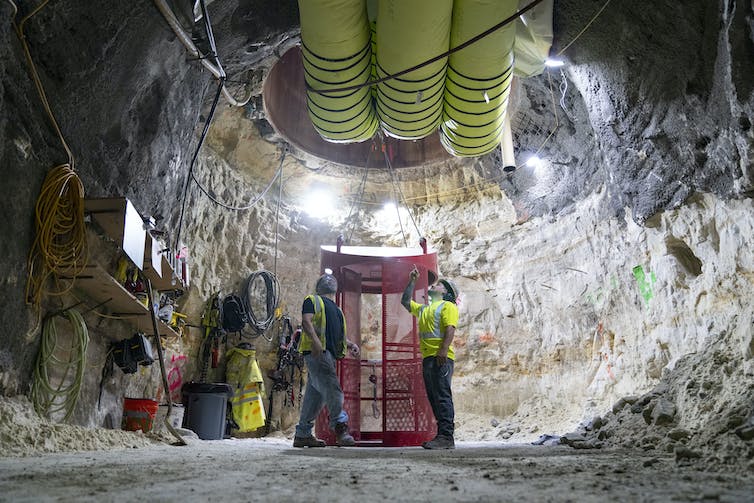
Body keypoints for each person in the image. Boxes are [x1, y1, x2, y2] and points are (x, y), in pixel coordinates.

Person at [293, 272, 360, 447]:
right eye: (325, 279)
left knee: (315, 397)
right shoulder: (312, 300)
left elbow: (337, 335)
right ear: (319, 287)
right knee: (332, 388)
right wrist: (315, 342)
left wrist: (351, 344)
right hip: (318, 352)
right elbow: (306, 322)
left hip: (327, 353)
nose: (328, 280)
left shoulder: (336, 309)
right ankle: (340, 427)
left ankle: (303, 434)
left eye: (331, 279)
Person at [401, 267, 459, 449]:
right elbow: (405, 302)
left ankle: (446, 437)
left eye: (439, 285)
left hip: (441, 358)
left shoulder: (448, 306)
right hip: (429, 358)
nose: (434, 285)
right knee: (434, 397)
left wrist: (442, 350)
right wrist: (412, 281)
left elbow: (450, 328)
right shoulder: (426, 309)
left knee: (442, 396)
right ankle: (442, 436)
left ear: (447, 292)